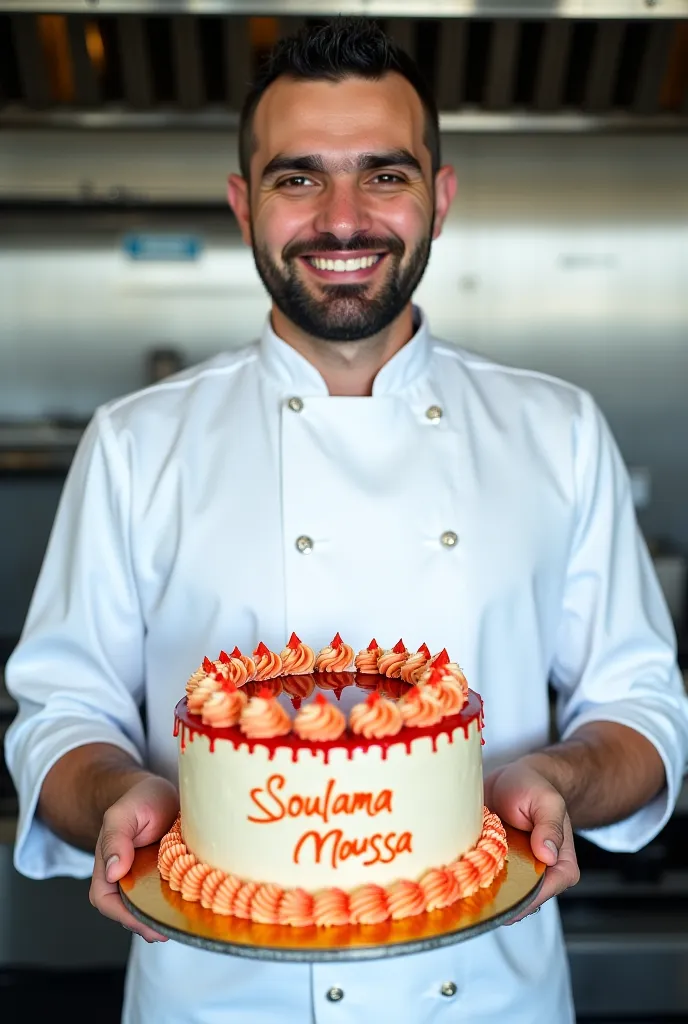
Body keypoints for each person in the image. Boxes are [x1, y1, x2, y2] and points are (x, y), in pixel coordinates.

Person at [5, 17, 687, 1024]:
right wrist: (113, 793)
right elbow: (60, 713)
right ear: (243, 206)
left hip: (488, 998)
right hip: (217, 1001)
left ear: (439, 199)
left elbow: (644, 713)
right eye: (296, 179)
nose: (340, 218)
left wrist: (555, 779)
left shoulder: (557, 429)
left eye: (384, 175)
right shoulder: (136, 441)